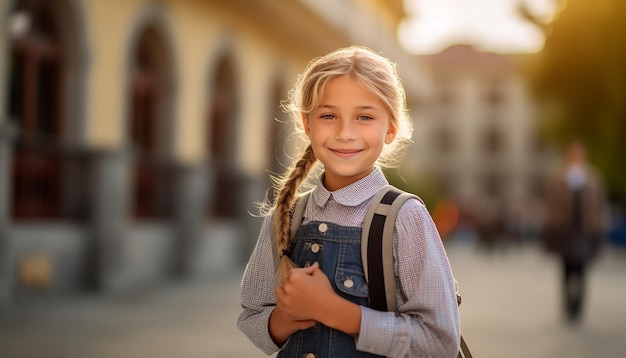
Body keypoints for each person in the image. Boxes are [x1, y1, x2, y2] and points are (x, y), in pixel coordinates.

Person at [237, 46, 460, 357]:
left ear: (391, 128)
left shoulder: (405, 217)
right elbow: (252, 317)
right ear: (307, 123)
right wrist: (284, 319)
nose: (345, 133)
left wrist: (336, 312)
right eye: (328, 115)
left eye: (364, 116)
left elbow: (439, 343)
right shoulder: (286, 215)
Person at [542, 140, 609, 323]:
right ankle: (567, 306)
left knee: (582, 270)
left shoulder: (594, 177)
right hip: (565, 231)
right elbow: (550, 203)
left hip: (585, 232)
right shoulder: (557, 177)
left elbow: (600, 205)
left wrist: (599, 227)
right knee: (566, 270)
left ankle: (578, 307)